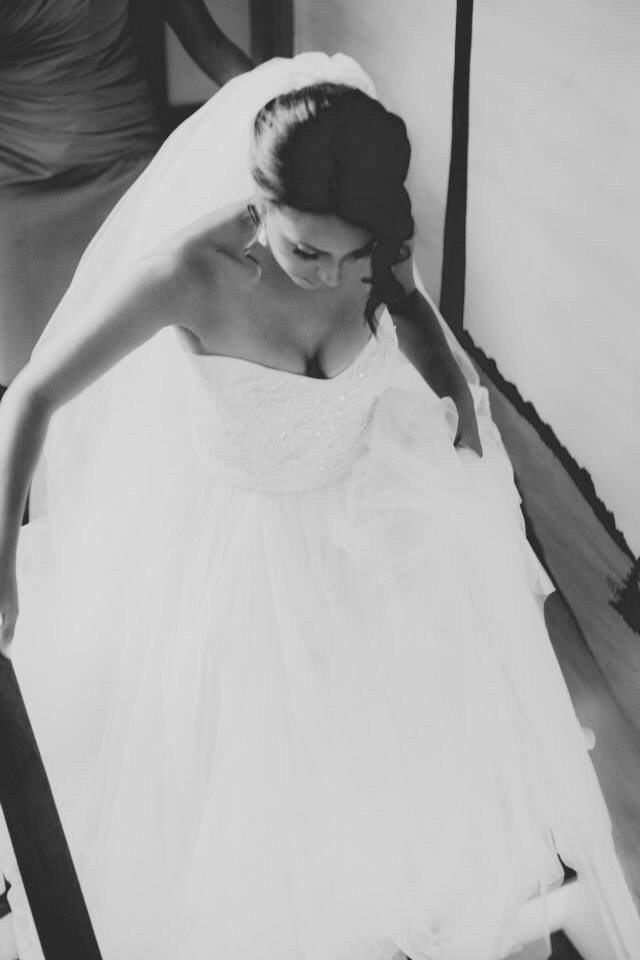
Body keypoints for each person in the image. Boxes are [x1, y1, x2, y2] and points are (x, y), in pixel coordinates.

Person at [0, 52, 638, 960]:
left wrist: (459, 407)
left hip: (358, 534)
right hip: (232, 554)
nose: (330, 277)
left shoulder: (372, 252)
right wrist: (1, 562)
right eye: (305, 251)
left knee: (388, 776)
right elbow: (30, 396)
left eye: (351, 257)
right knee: (243, 797)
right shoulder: (187, 272)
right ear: (259, 206)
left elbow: (409, 312)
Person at [0, 0, 253, 391]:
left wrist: (282, 107)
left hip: (125, 163)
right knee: (25, 372)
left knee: (141, 365)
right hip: (17, 178)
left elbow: (210, 46)